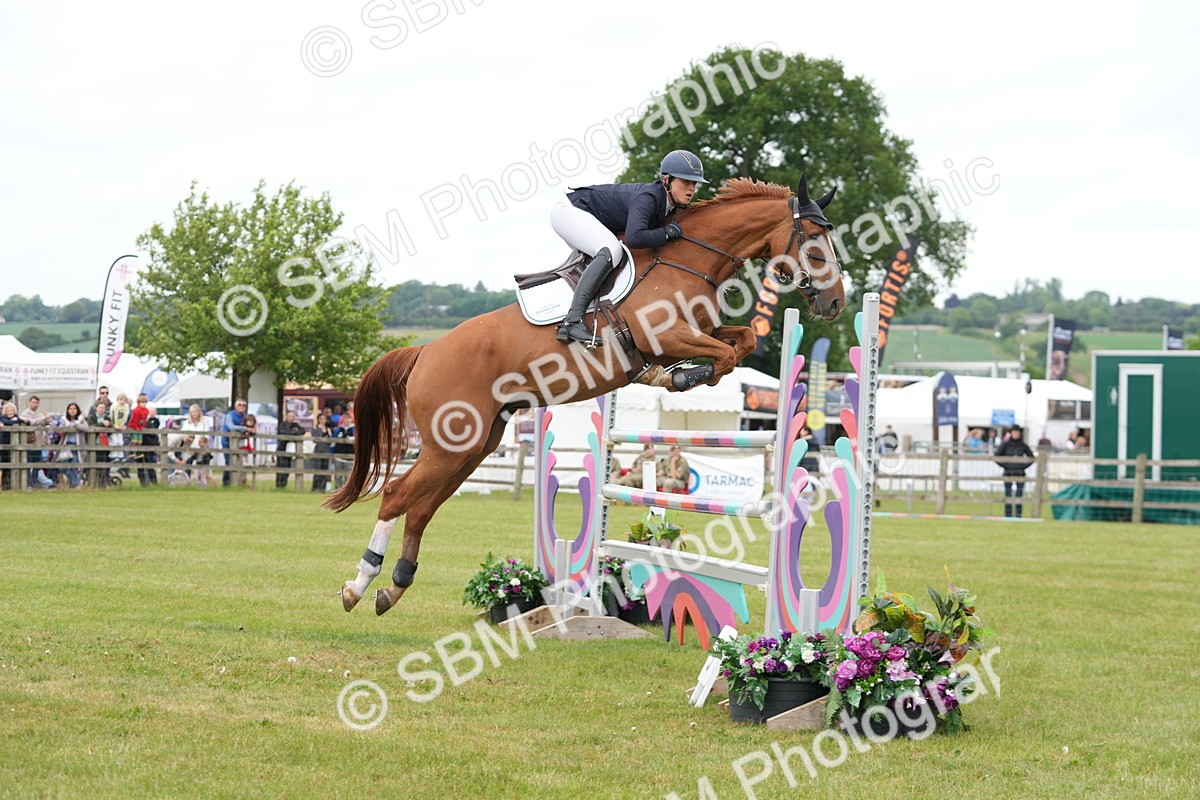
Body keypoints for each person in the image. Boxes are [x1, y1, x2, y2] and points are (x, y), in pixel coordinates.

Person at [552, 149, 708, 346]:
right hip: (569, 212)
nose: (692, 188)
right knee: (612, 250)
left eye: (694, 183)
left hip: (587, 217)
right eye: (686, 182)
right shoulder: (649, 197)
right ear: (667, 180)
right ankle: (573, 320)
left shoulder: (671, 204)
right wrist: (667, 233)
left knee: (615, 255)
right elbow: (635, 238)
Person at [993, 424, 1035, 518]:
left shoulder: (1023, 445)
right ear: (1011, 433)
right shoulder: (1005, 444)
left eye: (1017, 432)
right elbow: (996, 456)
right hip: (1008, 472)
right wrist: (1006, 465)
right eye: (1014, 432)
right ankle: (1008, 514)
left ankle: (1018, 514)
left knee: (1019, 494)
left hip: (1020, 473)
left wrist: (1023, 466)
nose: (1015, 434)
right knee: (1008, 494)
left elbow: (1031, 458)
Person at [20, 395, 54, 489]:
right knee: (28, 465)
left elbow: (45, 423)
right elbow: (32, 422)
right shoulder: (25, 414)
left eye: (37, 403)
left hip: (39, 444)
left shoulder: (39, 414)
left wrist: (48, 419)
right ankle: (27, 484)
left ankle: (34, 484)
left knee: (36, 465)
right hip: (29, 444)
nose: (35, 404)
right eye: (34, 402)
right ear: (29, 403)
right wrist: (43, 418)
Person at [57, 402, 89, 489]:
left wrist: (77, 425)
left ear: (77, 410)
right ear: (67, 410)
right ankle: (76, 482)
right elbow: (61, 430)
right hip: (66, 446)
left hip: (77, 446)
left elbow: (86, 429)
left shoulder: (81, 419)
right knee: (63, 465)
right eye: (70, 409)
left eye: (74, 409)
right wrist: (70, 426)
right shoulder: (63, 419)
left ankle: (73, 484)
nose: (72, 410)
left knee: (74, 466)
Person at [221, 398, 248, 487]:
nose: (242, 407)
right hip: (227, 441)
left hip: (238, 443)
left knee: (239, 462)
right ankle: (226, 483)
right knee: (229, 462)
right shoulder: (230, 415)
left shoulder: (245, 416)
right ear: (235, 406)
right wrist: (245, 429)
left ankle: (237, 483)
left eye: (243, 405)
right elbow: (231, 427)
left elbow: (249, 424)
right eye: (239, 405)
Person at [274, 410, 305, 488]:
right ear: (287, 416)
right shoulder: (282, 425)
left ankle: (284, 484)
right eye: (290, 416)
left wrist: (293, 432)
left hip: (290, 449)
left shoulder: (295, 425)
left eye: (293, 417)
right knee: (281, 467)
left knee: (288, 467)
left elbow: (302, 430)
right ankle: (279, 485)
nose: (291, 418)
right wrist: (294, 432)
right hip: (282, 448)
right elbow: (284, 433)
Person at [87, 399, 113, 488]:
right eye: (100, 407)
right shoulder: (91, 417)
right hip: (95, 444)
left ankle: (103, 483)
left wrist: (109, 426)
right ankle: (94, 483)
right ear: (96, 408)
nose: (102, 409)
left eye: (103, 408)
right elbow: (91, 427)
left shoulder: (108, 418)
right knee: (94, 464)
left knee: (105, 464)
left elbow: (111, 430)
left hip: (105, 444)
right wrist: (102, 424)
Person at [0, 401, 23, 490]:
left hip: (15, 444)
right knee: (6, 464)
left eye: (12, 410)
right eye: (8, 410)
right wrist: (13, 421)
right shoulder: (2, 418)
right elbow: (6, 422)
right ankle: (5, 483)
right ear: (5, 411)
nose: (10, 412)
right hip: (4, 444)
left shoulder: (16, 418)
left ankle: (12, 483)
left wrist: (15, 420)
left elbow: (22, 420)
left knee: (14, 463)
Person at [310, 411, 334, 493]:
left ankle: (322, 487)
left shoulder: (328, 429)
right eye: (321, 419)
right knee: (318, 468)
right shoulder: (315, 428)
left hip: (326, 450)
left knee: (324, 469)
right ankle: (315, 487)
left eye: (324, 419)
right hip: (318, 450)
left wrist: (329, 434)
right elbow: (314, 438)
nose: (322, 420)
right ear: (318, 419)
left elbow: (330, 441)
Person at [332, 410, 355, 490]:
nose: (347, 420)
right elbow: (333, 441)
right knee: (338, 474)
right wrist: (332, 453)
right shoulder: (339, 429)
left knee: (348, 474)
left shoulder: (354, 429)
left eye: (348, 418)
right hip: (338, 454)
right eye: (345, 418)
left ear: (351, 419)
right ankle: (337, 489)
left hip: (350, 455)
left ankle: (346, 490)